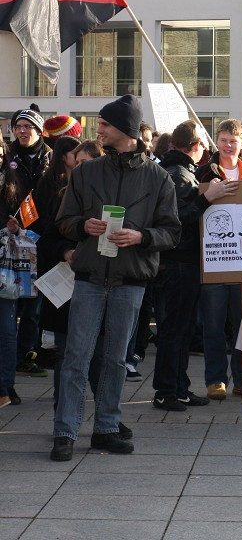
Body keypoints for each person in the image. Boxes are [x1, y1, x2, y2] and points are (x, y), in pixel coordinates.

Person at [51, 94, 181, 461]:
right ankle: (65, 431)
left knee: (114, 360)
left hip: (131, 279)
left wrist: (142, 237)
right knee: (76, 356)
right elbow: (63, 221)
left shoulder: (158, 178)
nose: (99, 129)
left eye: (105, 124)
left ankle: (107, 427)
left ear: (125, 129)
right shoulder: (87, 172)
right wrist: (82, 226)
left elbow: (172, 232)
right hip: (91, 277)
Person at [152, 120, 237, 411]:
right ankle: (167, 390)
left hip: (181, 261)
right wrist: (207, 199)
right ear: (195, 146)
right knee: (175, 329)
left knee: (183, 329)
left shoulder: (177, 170)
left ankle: (179, 387)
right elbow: (177, 220)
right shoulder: (177, 173)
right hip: (177, 262)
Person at [196, 119, 242, 400]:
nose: (228, 146)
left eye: (233, 141)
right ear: (217, 140)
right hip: (214, 259)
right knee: (212, 324)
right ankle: (215, 379)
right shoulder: (203, 173)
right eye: (223, 140)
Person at [37, 140, 104, 411]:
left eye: (86, 164)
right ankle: (62, 414)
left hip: (100, 284)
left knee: (100, 357)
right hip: (67, 288)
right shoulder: (62, 196)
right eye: (77, 164)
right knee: (66, 354)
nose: (80, 169)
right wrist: (65, 250)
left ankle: (106, 415)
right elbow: (46, 241)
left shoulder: (110, 197)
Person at [9, 108, 51, 379]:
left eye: (28, 126)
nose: (22, 131)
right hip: (11, 236)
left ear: (39, 130)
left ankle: (26, 354)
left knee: (35, 304)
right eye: (18, 126)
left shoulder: (51, 156)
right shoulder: (7, 156)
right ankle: (8, 354)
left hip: (41, 237)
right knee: (10, 300)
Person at [0, 139, 26, 409]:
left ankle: (6, 386)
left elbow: (27, 223)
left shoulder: (12, 183)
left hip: (5, 265)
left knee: (7, 330)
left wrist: (16, 228)